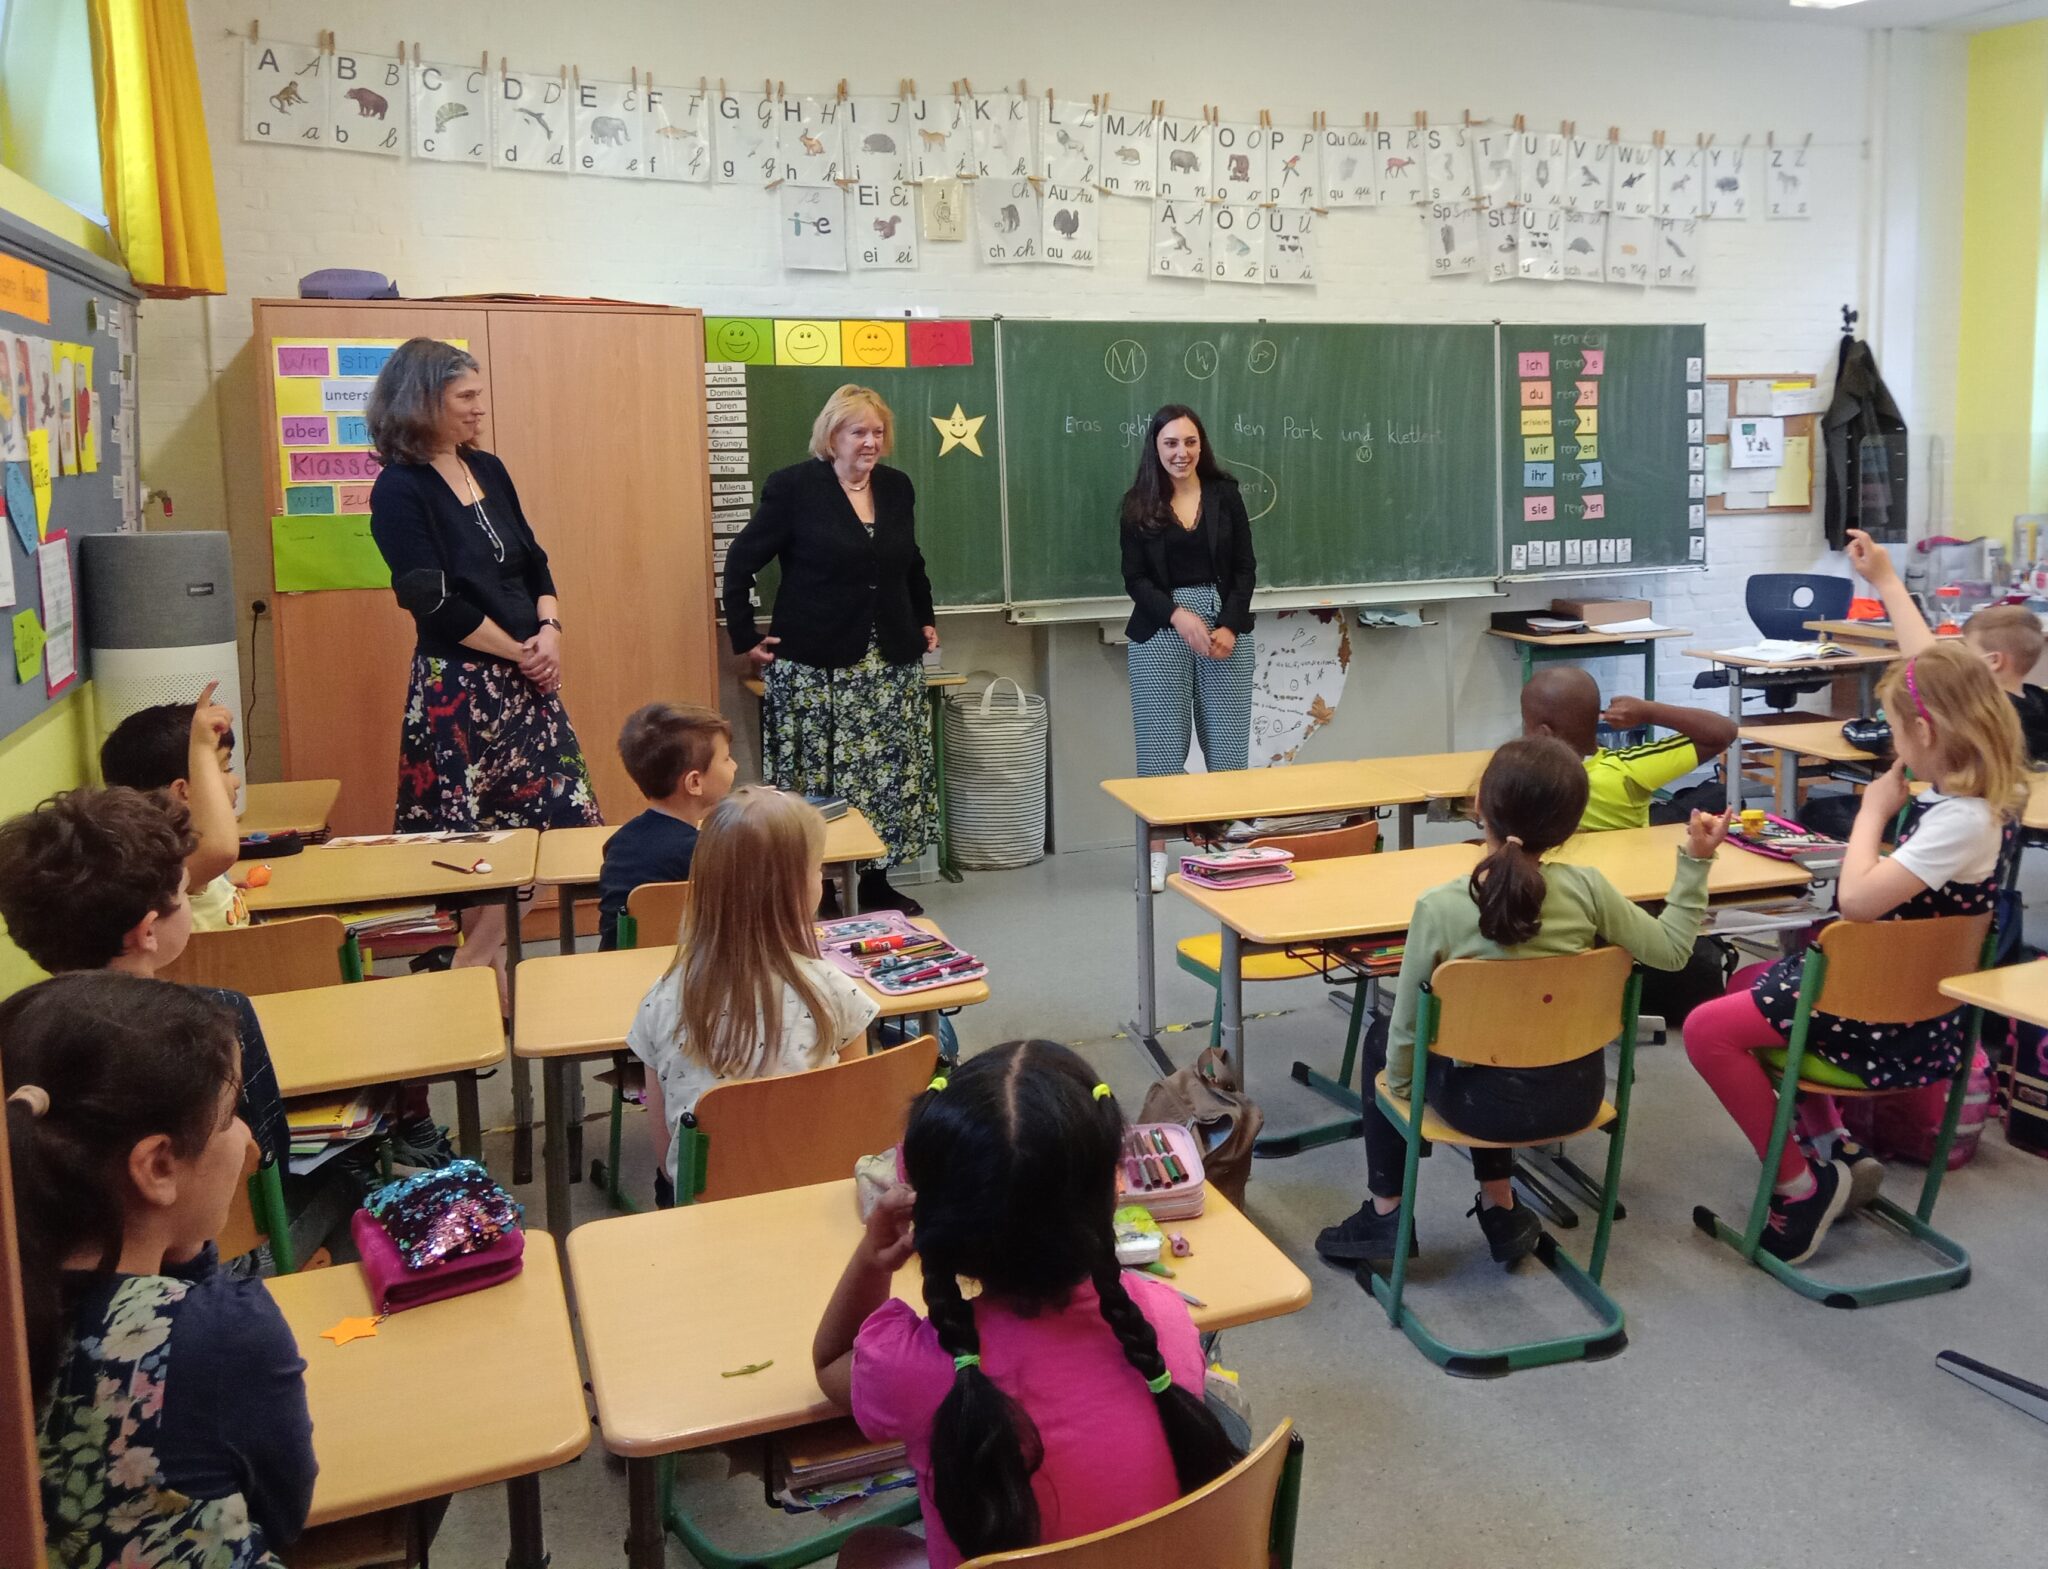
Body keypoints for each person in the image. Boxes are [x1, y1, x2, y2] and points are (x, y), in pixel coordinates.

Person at [813, 1039, 1242, 1569]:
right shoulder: (1163, 1319)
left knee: (868, 1548)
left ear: (931, 1215)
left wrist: (873, 1259)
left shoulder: (912, 1368)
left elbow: (829, 1365)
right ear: (1113, 1190)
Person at [1317, 738, 1729, 1269]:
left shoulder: (1440, 906)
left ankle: (1386, 1212)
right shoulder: (1589, 889)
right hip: (1577, 1094)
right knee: (1502, 1039)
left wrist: (1402, 1097)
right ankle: (1501, 1206)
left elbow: (1408, 1029)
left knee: (1394, 1039)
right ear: (1572, 823)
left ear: (1479, 807)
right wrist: (1696, 864)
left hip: (1479, 1106)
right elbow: (1674, 952)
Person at [1683, 639, 2026, 1265]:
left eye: (1895, 731)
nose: (1892, 745)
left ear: (1924, 730)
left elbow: (1860, 902)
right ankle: (1835, 1148)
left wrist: (1871, 813)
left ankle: (1799, 1187)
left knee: (1707, 1030)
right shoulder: (1981, 807)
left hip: (1883, 1028)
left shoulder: (1960, 821)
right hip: (1916, 1010)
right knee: (1749, 982)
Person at [6, 972, 316, 1567]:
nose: (247, 1137)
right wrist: (194, 1262)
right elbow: (283, 1516)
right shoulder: (220, 1331)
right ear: (157, 1166)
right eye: (230, 1116)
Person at [367, 337, 601, 984]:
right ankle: (481, 968)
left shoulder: (488, 468)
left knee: (553, 823)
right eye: (466, 396)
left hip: (526, 681)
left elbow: (535, 559)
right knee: (476, 843)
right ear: (423, 400)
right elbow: (428, 598)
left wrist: (549, 628)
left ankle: (474, 964)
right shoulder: (398, 489)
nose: (480, 409)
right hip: (460, 687)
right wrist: (520, 652)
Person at [723, 384, 937, 915]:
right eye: (858, 431)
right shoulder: (794, 488)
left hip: (888, 661)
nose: (870, 442)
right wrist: (746, 636)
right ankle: (816, 886)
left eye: (877, 432)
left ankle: (877, 883)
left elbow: (909, 562)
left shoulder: (896, 487)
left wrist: (925, 619)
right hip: (815, 663)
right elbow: (740, 560)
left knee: (887, 774)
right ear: (832, 435)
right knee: (818, 778)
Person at [0, 786, 289, 1172]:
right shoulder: (218, 1016)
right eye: (187, 893)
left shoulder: (11, 1028)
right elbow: (267, 1157)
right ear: (148, 931)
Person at [626, 786, 877, 1206]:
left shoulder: (661, 998)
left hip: (700, 1207)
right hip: (816, 1196)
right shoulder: (834, 989)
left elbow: (664, 1152)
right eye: (818, 869)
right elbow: (858, 1112)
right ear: (800, 890)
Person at [1119, 405, 1258, 892]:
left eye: (1190, 442)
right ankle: (1157, 854)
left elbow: (1245, 567)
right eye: (1171, 444)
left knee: (1228, 740)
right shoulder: (1138, 503)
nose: (1182, 452)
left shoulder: (1226, 494)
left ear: (1202, 445)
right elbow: (1134, 578)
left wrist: (1230, 626)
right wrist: (1178, 617)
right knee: (1160, 746)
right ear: (1156, 449)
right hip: (1161, 627)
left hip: (1225, 631)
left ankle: (1230, 846)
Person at [1847, 528, 2048, 763]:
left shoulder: (1973, 712)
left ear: (1994, 661)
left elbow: (1926, 673)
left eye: (1966, 650)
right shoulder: (2038, 702)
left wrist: (1853, 727)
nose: (1957, 657)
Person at [98, 684, 245, 932]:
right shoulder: (160, 863)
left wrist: (221, 886)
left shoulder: (189, 851)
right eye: (223, 769)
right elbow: (221, 850)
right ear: (182, 791)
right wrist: (200, 746)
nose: (236, 781)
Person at [1520, 666, 1737, 831]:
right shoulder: (1627, 769)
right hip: (1629, 879)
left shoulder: (1517, 776)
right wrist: (1649, 712)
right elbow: (1723, 732)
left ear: (1542, 733)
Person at [599, 702, 738, 949]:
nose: (735, 765)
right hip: (684, 970)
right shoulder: (704, 852)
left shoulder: (619, 841)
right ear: (694, 782)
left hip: (617, 969)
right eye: (726, 759)